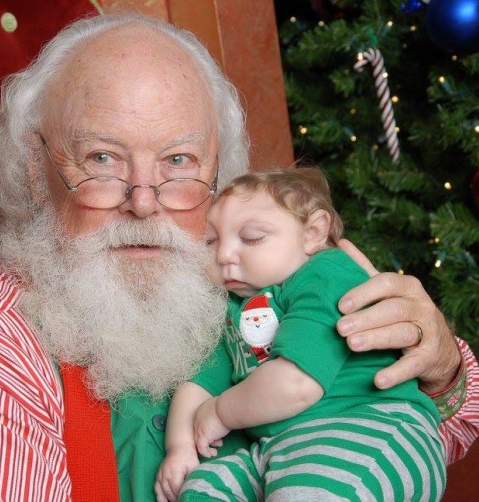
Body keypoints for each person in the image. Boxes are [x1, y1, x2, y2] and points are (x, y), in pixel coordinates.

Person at [0, 12, 479, 501]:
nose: (145, 204)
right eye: (102, 159)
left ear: (220, 172)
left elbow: (422, 435)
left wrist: (440, 370)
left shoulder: (242, 271)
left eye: (178, 162)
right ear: (36, 171)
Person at [156, 168, 446, 501]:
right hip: (281, 446)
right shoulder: (230, 312)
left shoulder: (325, 275)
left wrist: (221, 412)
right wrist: (179, 448)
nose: (223, 255)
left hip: (370, 426)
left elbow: (296, 385)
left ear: (312, 233)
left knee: (310, 492)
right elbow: (197, 385)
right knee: (204, 488)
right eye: (211, 241)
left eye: (251, 237)